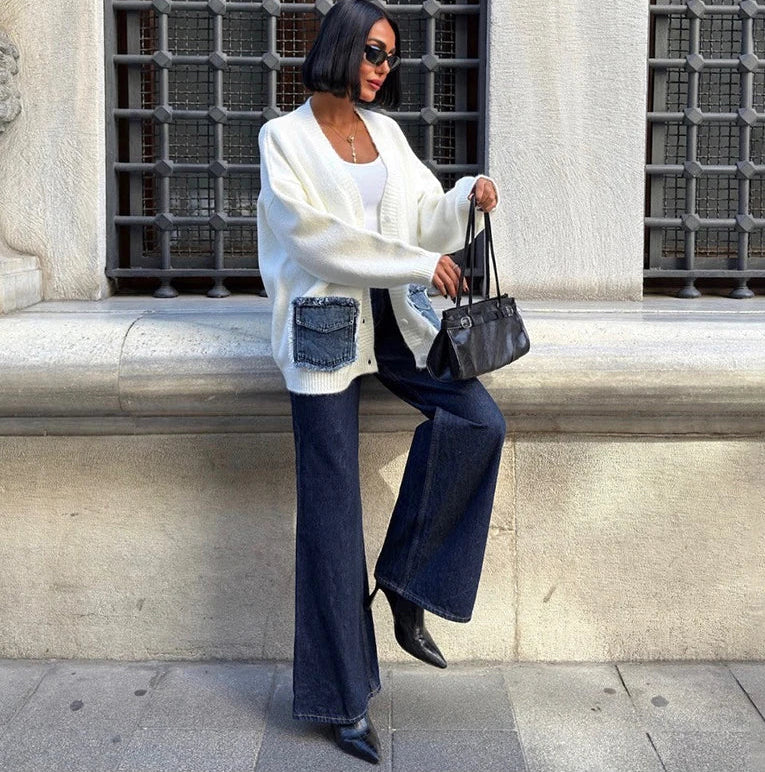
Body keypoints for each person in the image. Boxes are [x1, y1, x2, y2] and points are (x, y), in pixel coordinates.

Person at [256, 0, 505, 764]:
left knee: (477, 422)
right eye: (372, 51)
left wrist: (467, 196)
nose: (381, 68)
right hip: (326, 330)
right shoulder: (284, 138)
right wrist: (411, 262)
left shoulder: (386, 134)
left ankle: (406, 581)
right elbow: (314, 240)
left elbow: (425, 215)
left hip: (400, 323)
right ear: (337, 46)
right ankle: (340, 701)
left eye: (390, 57)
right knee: (330, 515)